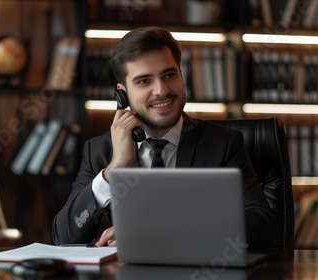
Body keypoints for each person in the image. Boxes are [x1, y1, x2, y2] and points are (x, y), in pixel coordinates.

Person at [52, 27, 277, 249]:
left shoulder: (223, 144)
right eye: (144, 81)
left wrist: (156, 232)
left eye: (169, 75)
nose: (161, 90)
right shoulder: (100, 150)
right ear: (122, 94)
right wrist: (114, 169)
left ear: (181, 75)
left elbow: (263, 227)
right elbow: (64, 237)